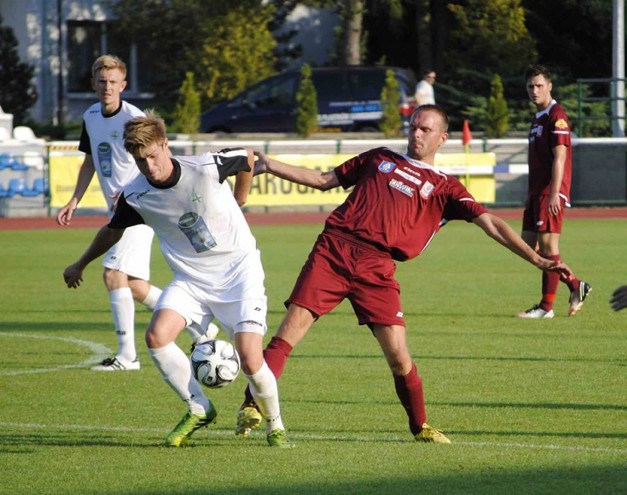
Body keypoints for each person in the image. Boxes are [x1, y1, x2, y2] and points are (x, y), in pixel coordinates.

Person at [234, 104, 573, 444]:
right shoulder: (379, 158)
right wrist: (269, 165)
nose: (416, 134)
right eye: (413, 127)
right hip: (333, 251)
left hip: (378, 268)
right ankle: (251, 405)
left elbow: (492, 226)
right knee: (288, 334)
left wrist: (537, 259)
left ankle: (420, 427)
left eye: (425, 130)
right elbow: (324, 181)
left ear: (442, 138)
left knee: (399, 356)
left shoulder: (446, 188)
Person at [63, 110, 293, 448]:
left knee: (250, 358)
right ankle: (199, 407)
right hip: (191, 281)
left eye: (154, 156)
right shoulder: (137, 195)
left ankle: (276, 426)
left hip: (238, 274)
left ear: (165, 145)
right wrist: (80, 263)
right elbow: (111, 232)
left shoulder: (205, 167)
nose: (150, 167)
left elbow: (248, 156)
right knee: (157, 337)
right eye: (141, 161)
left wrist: (241, 197)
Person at [57, 55, 216, 371]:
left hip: (138, 206)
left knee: (112, 274)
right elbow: (90, 160)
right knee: (135, 285)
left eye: (113, 82)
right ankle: (200, 326)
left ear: (123, 85)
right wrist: (74, 198)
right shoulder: (90, 116)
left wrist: (133, 191)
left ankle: (127, 356)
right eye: (101, 81)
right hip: (120, 209)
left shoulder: (134, 118)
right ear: (93, 83)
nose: (107, 87)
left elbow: (153, 158)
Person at [516, 64, 591, 319]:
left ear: (549, 86)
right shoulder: (538, 117)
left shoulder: (556, 115)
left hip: (550, 191)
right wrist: (530, 193)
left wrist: (554, 193)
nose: (534, 91)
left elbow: (560, 156)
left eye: (539, 85)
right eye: (530, 86)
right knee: (526, 246)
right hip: (536, 192)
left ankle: (546, 307)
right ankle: (574, 284)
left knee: (548, 247)